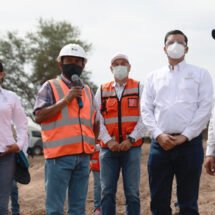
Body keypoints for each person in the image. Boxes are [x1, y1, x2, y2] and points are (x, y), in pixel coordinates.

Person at [141, 30, 214, 215]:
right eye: (171, 42)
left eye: (180, 42)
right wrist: (158, 134)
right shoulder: (153, 77)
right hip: (160, 146)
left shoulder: (201, 74)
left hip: (190, 145)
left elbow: (205, 108)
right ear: (164, 48)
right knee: (158, 201)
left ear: (187, 49)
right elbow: (146, 109)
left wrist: (185, 136)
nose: (175, 45)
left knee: (188, 203)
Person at [34, 43, 99, 215]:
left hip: (83, 158)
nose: (74, 64)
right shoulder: (50, 86)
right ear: (60, 63)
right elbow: (39, 116)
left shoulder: (87, 91)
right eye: (69, 60)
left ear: (83, 65)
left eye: (78, 61)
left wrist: (91, 147)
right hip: (58, 158)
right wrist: (66, 100)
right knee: (55, 209)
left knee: (78, 209)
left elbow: (95, 122)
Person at [96, 53, 144, 215]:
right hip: (108, 150)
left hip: (132, 148)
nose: (120, 66)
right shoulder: (102, 90)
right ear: (111, 68)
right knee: (107, 191)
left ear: (129, 67)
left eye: (123, 63)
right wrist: (108, 141)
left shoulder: (138, 87)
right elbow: (96, 119)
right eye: (116, 64)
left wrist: (131, 139)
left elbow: (145, 117)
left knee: (132, 192)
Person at [0, 61, 28, 214]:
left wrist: (19, 144)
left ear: (1, 74)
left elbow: (22, 123)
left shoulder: (11, 97)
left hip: (6, 156)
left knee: (2, 205)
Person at [90, 142, 101, 215]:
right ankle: (98, 208)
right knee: (98, 185)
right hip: (95, 158)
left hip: (101, 157)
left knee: (101, 185)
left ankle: (99, 208)